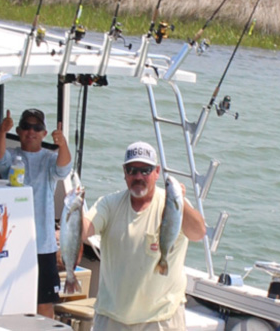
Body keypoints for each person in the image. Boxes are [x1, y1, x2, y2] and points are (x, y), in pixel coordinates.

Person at [81, 141, 206, 331]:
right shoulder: (108, 204)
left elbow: (198, 234)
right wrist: (69, 220)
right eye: (132, 170)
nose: (138, 176)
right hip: (111, 318)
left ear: (156, 172)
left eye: (145, 170)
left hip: (161, 319)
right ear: (124, 173)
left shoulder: (174, 205)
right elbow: (84, 230)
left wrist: (181, 202)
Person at [0, 108, 71, 318]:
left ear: (44, 133)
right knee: (13, 300)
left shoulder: (49, 159)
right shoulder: (12, 156)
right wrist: (1, 131)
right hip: (13, 243)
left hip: (43, 245)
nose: (31, 131)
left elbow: (64, 169)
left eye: (37, 127)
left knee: (44, 304)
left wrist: (62, 144)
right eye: (26, 126)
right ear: (18, 131)